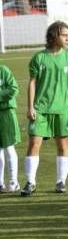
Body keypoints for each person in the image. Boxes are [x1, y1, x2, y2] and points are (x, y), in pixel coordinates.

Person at [21, 21, 68, 196]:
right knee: (34, 143)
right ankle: (30, 182)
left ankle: (61, 181)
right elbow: (32, 83)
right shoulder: (39, 58)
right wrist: (30, 107)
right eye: (65, 35)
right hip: (40, 110)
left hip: (61, 111)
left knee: (63, 146)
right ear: (54, 36)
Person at [0, 63, 20, 193]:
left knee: (8, 147)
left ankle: (13, 181)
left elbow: (14, 89)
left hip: (5, 113)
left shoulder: (3, 70)